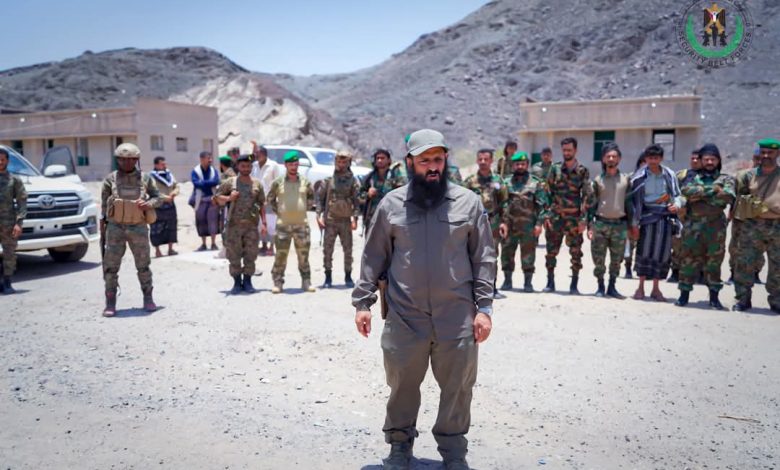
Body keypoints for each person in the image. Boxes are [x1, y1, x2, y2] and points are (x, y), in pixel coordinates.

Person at [352, 128, 495, 470]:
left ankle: (454, 453)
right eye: (425, 160)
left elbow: (484, 257)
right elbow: (374, 256)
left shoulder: (468, 203)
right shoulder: (391, 205)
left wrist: (485, 309)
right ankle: (400, 447)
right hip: (405, 316)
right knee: (402, 385)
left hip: (456, 316)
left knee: (458, 388)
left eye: (438, 159)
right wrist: (363, 303)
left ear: (446, 160)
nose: (432, 166)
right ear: (410, 162)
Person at [100, 143, 162, 316]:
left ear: (137, 160)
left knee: (143, 266)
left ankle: (148, 298)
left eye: (131, 159)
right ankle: (110, 302)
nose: (127, 163)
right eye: (122, 159)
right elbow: (104, 205)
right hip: (115, 228)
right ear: (117, 160)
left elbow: (158, 197)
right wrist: (103, 227)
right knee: (110, 267)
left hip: (138, 227)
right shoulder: (110, 179)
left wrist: (148, 204)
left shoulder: (145, 178)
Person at [675, 144, 734, 309]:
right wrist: (714, 190)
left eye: (713, 159)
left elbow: (728, 196)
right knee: (687, 260)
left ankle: (714, 298)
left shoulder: (726, 179)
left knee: (714, 262)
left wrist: (699, 194)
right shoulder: (691, 177)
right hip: (692, 226)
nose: (709, 162)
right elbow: (686, 191)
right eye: (706, 159)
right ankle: (684, 295)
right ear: (701, 160)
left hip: (716, 228)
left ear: (718, 161)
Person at [629, 144, 683, 302]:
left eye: (656, 158)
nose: (653, 161)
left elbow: (678, 195)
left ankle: (656, 289)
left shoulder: (669, 175)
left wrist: (677, 204)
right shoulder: (638, 177)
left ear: (661, 158)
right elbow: (633, 203)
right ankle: (640, 288)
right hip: (646, 220)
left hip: (665, 219)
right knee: (644, 252)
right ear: (645, 159)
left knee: (662, 254)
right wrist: (634, 224)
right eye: (650, 158)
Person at [732, 138, 780, 312]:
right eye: (763, 152)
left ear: (778, 154)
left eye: (770, 153)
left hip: (777, 225)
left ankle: (777, 300)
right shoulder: (748, 176)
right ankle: (743, 299)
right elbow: (739, 197)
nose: (766, 156)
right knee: (744, 263)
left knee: (778, 266)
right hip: (752, 225)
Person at [543, 137, 593, 294]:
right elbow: (547, 193)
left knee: (576, 252)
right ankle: (550, 282)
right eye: (564, 150)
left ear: (575, 150)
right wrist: (547, 215)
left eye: (569, 150)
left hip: (574, 219)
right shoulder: (555, 169)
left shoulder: (582, 171)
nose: (566, 153)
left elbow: (587, 196)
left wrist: (583, 219)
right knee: (551, 251)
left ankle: (574, 284)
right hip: (556, 218)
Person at [214, 154, 267, 294]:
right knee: (234, 255)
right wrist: (229, 198)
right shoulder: (230, 182)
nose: (246, 169)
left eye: (248, 166)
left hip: (251, 226)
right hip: (234, 226)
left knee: (251, 254)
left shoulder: (257, 184)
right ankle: (237, 283)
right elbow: (216, 198)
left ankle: (248, 282)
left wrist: (264, 223)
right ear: (237, 167)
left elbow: (261, 204)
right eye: (243, 166)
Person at [267, 151, 316, 294]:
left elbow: (311, 198)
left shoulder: (305, 182)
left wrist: (303, 209)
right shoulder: (278, 182)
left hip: (302, 225)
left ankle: (306, 281)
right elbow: (270, 199)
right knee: (281, 255)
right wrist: (280, 211)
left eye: (296, 164)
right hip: (283, 225)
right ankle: (278, 282)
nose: (294, 167)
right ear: (285, 165)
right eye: (291, 164)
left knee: (303, 255)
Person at [587, 143, 631, 299]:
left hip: (619, 225)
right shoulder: (597, 181)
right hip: (601, 224)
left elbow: (629, 204)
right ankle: (600, 286)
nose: (611, 159)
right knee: (598, 258)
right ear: (603, 159)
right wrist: (590, 226)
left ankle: (612, 287)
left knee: (617, 259)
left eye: (614, 156)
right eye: (608, 156)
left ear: (619, 159)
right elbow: (591, 205)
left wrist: (632, 225)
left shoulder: (626, 180)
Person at [498, 152, 547, 293]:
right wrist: (502, 222)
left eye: (523, 164)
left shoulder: (536, 182)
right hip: (509, 226)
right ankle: (507, 281)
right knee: (507, 253)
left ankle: (528, 283)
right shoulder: (506, 182)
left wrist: (539, 224)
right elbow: (501, 204)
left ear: (527, 165)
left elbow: (542, 205)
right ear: (513, 165)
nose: (520, 166)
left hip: (528, 226)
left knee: (528, 255)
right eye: (517, 164)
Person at [464, 148, 507, 297]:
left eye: (486, 159)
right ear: (477, 160)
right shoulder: (470, 181)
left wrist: (504, 222)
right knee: (471, 255)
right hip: (473, 224)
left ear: (491, 161)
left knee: (492, 256)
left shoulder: (498, 181)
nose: (483, 162)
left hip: (492, 223)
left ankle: (492, 288)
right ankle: (473, 288)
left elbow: (504, 203)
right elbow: (462, 203)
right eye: (480, 159)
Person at [316, 150, 360, 288]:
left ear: (349, 163)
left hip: (345, 220)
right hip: (330, 220)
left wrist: (355, 219)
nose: (341, 164)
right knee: (327, 250)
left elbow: (356, 201)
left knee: (348, 250)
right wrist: (318, 216)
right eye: (339, 161)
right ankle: (328, 277)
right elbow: (320, 199)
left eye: (344, 162)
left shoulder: (353, 181)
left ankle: (348, 276)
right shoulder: (329, 180)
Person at [727, 148, 764, 285]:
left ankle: (755, 273)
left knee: (759, 246)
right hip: (741, 217)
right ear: (753, 159)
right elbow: (734, 196)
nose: (759, 162)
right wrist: (731, 213)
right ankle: (733, 273)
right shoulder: (742, 175)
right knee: (736, 246)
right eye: (757, 158)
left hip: (763, 218)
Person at [668, 149, 702, 283]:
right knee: (677, 244)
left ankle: (700, 273)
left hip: (700, 216)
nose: (694, 161)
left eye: (697, 159)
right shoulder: (681, 175)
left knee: (699, 245)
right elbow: (672, 192)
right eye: (692, 158)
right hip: (681, 216)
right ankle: (675, 271)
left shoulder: (708, 176)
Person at [359, 148, 406, 234]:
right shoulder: (369, 178)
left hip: (390, 217)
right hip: (372, 217)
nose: (380, 160)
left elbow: (403, 195)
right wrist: (368, 194)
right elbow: (359, 196)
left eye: (382, 158)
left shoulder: (395, 177)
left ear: (388, 160)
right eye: (378, 158)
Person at [0, 148, 27, 295]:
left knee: (9, 253)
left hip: (8, 224)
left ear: (7, 161)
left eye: (2, 159)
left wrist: (19, 223)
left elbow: (22, 202)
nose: (0, 162)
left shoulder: (14, 180)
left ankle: (7, 282)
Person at [250, 142, 283, 256]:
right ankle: (263, 245)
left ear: (264, 154)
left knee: (271, 224)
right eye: (256, 154)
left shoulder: (273, 165)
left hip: (269, 200)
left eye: (258, 154)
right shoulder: (254, 165)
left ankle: (271, 246)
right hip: (257, 200)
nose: (256, 156)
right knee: (260, 223)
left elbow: (278, 183)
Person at [149, 156, 179, 258]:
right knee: (156, 228)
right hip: (158, 205)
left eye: (165, 163)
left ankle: (170, 249)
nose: (164, 165)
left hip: (170, 204)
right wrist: (165, 198)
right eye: (162, 164)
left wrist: (174, 193)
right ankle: (157, 251)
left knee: (171, 226)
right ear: (156, 165)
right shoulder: (151, 177)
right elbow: (152, 191)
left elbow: (176, 186)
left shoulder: (169, 174)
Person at [623, 152, 647, 279]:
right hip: (632, 215)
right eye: (643, 162)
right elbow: (626, 198)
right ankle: (628, 268)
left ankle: (641, 269)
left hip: (647, 216)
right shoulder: (631, 178)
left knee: (644, 245)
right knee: (629, 244)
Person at [191, 151, 220, 251]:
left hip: (212, 200)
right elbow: (196, 183)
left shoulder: (213, 171)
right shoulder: (195, 171)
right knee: (201, 222)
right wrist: (208, 183)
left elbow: (216, 181)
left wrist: (203, 183)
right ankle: (203, 244)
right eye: (208, 158)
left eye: (211, 158)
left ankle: (213, 243)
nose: (210, 160)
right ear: (202, 159)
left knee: (213, 221)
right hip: (200, 200)